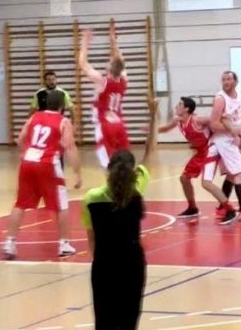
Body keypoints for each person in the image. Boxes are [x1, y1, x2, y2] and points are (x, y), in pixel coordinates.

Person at [82, 100, 157, 329]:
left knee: (104, 322)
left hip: (104, 264)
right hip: (132, 264)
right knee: (128, 321)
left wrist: (100, 260)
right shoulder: (136, 191)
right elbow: (150, 152)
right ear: (133, 171)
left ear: (109, 169)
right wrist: (153, 116)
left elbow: (91, 241)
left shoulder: (91, 198)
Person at [3, 91, 82, 259]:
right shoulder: (63, 121)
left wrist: (24, 153)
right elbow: (70, 147)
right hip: (48, 163)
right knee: (61, 205)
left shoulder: (34, 117)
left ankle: (9, 243)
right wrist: (78, 174)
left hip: (28, 161)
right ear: (61, 106)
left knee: (20, 203)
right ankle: (64, 244)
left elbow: (20, 139)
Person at [157, 96, 239, 224]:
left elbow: (217, 120)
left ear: (187, 109)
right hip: (200, 152)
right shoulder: (177, 120)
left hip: (211, 149)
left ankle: (230, 210)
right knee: (184, 178)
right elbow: (165, 128)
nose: (176, 106)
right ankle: (192, 208)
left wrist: (233, 131)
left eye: (180, 104)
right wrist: (151, 130)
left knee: (206, 183)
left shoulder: (197, 120)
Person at [210, 71, 241, 222]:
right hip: (222, 140)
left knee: (232, 175)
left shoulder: (238, 94)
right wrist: (232, 130)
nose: (226, 81)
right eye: (223, 79)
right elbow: (213, 124)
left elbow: (240, 110)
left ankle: (221, 209)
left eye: (229, 79)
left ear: (236, 82)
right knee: (240, 172)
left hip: (231, 139)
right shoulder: (220, 99)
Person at [79, 27, 130, 168]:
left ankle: (112, 180)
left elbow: (83, 64)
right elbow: (121, 61)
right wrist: (114, 43)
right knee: (124, 159)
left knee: (109, 163)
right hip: (119, 124)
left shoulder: (102, 81)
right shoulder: (124, 79)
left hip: (104, 124)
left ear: (109, 68)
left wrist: (85, 41)